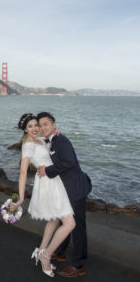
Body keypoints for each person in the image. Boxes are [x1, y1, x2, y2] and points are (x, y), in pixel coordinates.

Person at [10, 113, 75, 278]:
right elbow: (23, 172)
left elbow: (51, 148)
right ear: (25, 129)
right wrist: (21, 196)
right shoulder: (28, 146)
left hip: (53, 181)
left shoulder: (41, 141)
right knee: (69, 223)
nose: (35, 129)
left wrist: (55, 132)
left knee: (53, 219)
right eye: (30, 126)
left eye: (36, 125)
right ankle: (46, 256)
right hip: (47, 184)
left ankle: (41, 250)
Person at [37, 112, 92, 278]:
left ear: (54, 125)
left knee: (77, 228)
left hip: (74, 189)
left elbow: (69, 162)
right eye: (40, 125)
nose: (42, 127)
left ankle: (79, 264)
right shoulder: (50, 141)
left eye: (46, 124)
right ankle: (60, 251)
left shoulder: (61, 140)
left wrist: (47, 170)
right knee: (63, 220)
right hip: (63, 190)